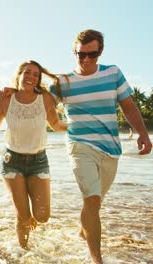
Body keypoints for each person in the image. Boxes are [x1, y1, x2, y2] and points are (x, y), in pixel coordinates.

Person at [49, 29, 152, 263]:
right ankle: (97, 259)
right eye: (80, 54)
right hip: (79, 145)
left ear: (100, 52)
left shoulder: (113, 73)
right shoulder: (62, 82)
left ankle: (83, 227)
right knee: (92, 198)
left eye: (92, 54)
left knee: (95, 202)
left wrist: (143, 133)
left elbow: (128, 105)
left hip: (110, 149)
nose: (85, 60)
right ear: (74, 52)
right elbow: (40, 103)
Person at [0, 60, 67, 249]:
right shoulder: (6, 99)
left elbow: (56, 125)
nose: (31, 77)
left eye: (35, 74)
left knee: (42, 216)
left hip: (38, 161)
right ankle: (24, 252)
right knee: (23, 216)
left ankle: (29, 218)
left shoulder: (46, 99)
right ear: (19, 75)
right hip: (12, 161)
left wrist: (80, 127)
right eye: (27, 72)